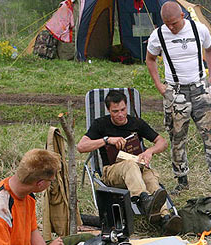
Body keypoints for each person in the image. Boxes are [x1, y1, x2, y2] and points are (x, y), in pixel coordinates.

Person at [145, 1, 211, 200]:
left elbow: (210, 50)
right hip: (175, 92)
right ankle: (181, 180)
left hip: (200, 89)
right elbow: (150, 59)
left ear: (182, 16)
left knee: (210, 135)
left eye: (174, 23)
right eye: (167, 23)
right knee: (177, 138)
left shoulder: (198, 29)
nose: (171, 27)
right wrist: (160, 86)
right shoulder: (158, 35)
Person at [76, 90, 182, 235]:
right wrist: (106, 140)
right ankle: (144, 200)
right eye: (115, 111)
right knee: (130, 165)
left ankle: (165, 219)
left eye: (123, 110)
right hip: (112, 171)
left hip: (138, 170)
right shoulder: (101, 124)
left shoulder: (136, 123)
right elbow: (81, 147)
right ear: (108, 110)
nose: (120, 114)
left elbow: (162, 142)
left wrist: (149, 151)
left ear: (127, 107)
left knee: (149, 177)